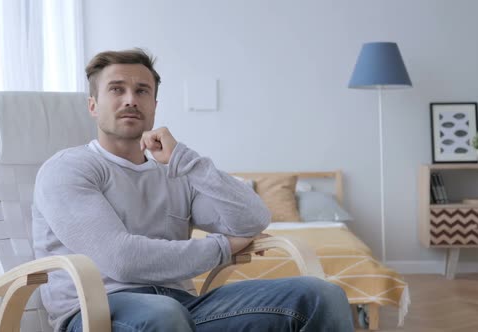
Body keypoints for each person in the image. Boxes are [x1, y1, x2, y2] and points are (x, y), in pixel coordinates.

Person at [32, 48, 354, 332]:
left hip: (182, 306)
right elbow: (123, 259)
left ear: (154, 106)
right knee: (164, 314)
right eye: (117, 89)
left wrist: (187, 161)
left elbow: (253, 218)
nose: (130, 98)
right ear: (93, 105)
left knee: (321, 295)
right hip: (97, 312)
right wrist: (222, 247)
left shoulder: (177, 171)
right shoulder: (68, 169)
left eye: (141, 90)